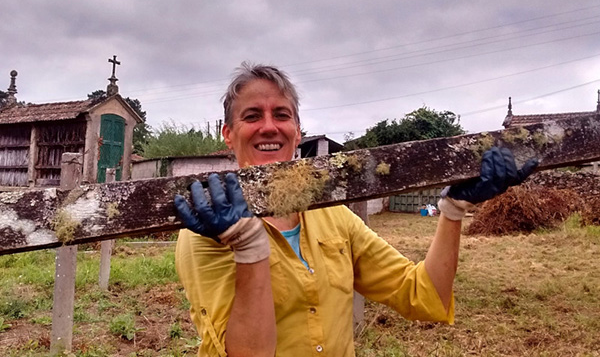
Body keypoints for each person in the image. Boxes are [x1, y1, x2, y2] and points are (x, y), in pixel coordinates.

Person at [174, 62, 538, 357]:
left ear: (297, 131)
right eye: (252, 116)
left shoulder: (331, 214)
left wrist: (454, 208)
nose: (269, 127)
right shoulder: (205, 229)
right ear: (228, 133)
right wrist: (248, 244)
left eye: (281, 115)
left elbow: (422, 296)